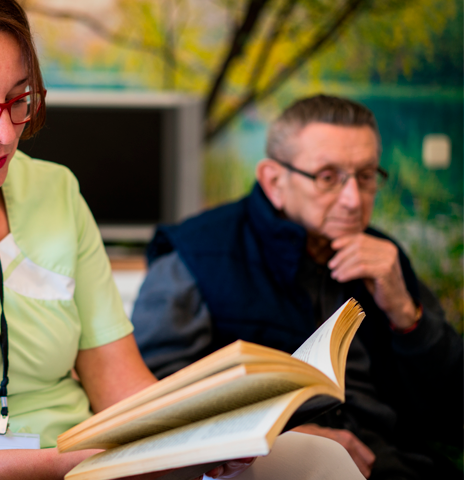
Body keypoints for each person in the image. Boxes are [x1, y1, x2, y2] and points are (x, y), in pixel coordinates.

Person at [0, 2, 364, 479]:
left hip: (101, 464)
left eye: (17, 98)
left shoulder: (53, 190)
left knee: (318, 460)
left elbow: (119, 382)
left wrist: (204, 433)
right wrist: (89, 460)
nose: (5, 132)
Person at [131, 94, 464, 479]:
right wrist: (293, 439)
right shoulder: (196, 254)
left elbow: (450, 412)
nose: (353, 199)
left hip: (394, 465)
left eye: (367, 176)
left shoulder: (386, 259)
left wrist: (407, 316)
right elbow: (152, 398)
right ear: (274, 181)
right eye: (328, 177)